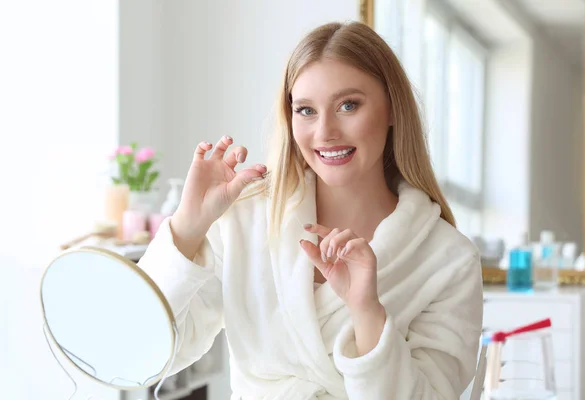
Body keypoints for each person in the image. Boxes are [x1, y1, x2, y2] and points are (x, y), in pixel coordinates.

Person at [138, 21, 483, 400]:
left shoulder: (448, 259)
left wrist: (366, 312)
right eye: (305, 110)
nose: (325, 132)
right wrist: (188, 227)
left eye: (348, 105)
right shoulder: (246, 220)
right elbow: (141, 350)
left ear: (392, 109)